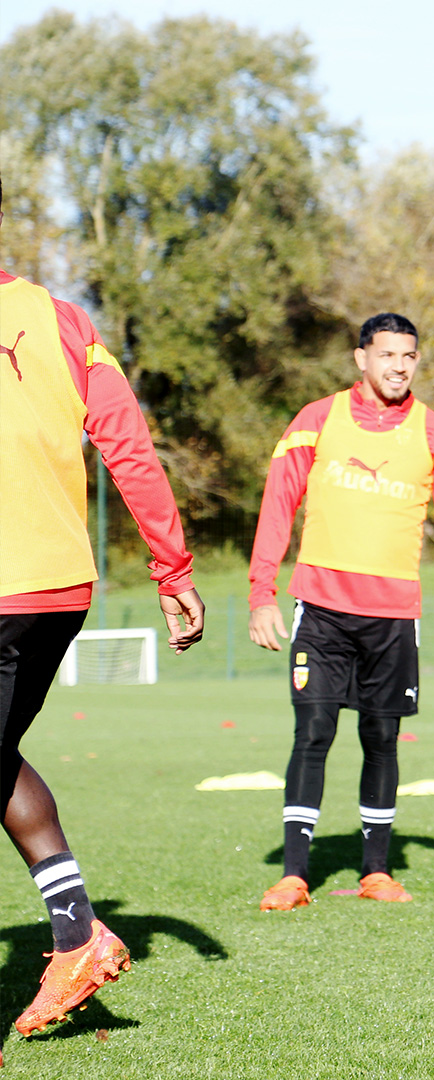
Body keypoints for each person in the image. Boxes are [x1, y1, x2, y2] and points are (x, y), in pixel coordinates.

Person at [0, 180, 205, 1046]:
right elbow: (128, 442)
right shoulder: (64, 320)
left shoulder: (62, 319)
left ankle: (80, 936)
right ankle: (78, 932)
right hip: (58, 590)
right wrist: (173, 567)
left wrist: (175, 566)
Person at [247, 313, 434, 910]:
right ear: (361, 358)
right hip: (323, 611)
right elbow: (278, 506)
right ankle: (294, 875)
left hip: (393, 618)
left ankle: (376, 872)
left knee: (381, 737)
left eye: (409, 356)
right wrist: (262, 594)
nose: (399, 366)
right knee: (313, 732)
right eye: (387, 355)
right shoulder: (316, 419)